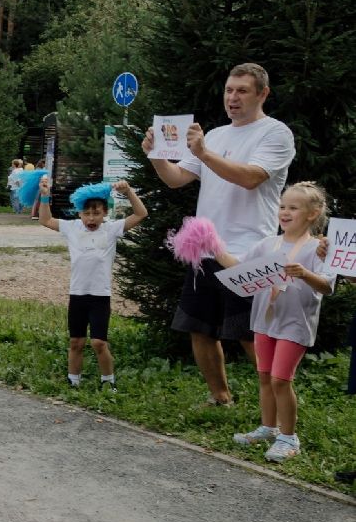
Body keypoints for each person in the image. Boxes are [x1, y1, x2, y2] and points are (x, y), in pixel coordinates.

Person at [144, 62, 295, 405]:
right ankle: (221, 397)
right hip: (204, 250)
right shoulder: (215, 135)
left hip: (248, 251)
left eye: (242, 90)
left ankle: (274, 410)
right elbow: (176, 179)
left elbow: (251, 177)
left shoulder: (275, 133)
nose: (233, 97)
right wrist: (155, 154)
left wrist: (205, 154)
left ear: (263, 94)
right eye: (229, 90)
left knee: (250, 334)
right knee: (199, 327)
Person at [214, 183, 334, 461]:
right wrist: (212, 246)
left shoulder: (319, 248)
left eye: (293, 207)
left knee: (281, 380)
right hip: (265, 322)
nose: (285, 212)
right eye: (282, 206)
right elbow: (238, 267)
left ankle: (289, 438)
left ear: (313, 214)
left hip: (295, 323)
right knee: (265, 376)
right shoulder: (267, 244)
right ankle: (268, 428)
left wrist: (304, 273)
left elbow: (327, 286)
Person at [38, 177, 148, 389]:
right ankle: (73, 381)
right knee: (76, 342)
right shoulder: (72, 228)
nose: (91, 218)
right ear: (79, 212)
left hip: (100, 296)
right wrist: (44, 195)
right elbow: (46, 220)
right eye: (86, 213)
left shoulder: (111, 229)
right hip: (77, 294)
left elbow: (141, 213)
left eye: (96, 213)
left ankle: (108, 382)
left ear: (105, 213)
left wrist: (129, 192)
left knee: (99, 342)